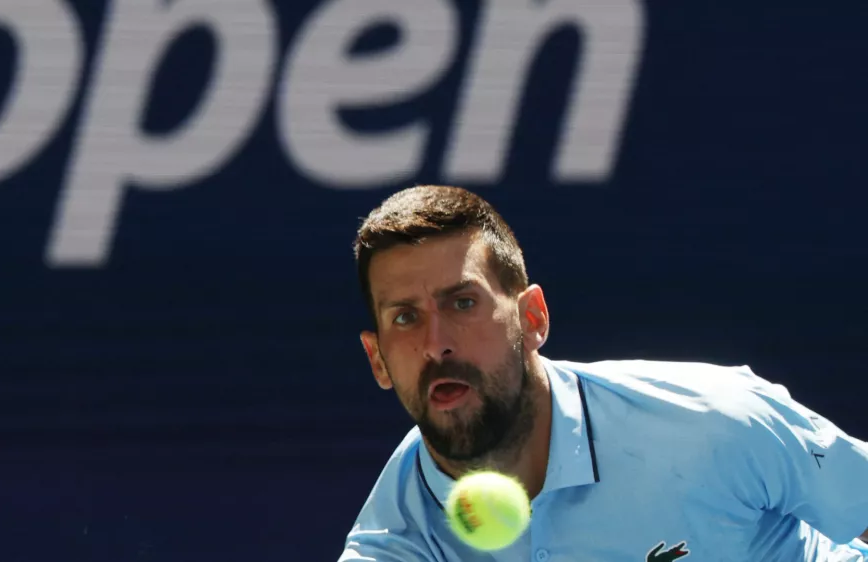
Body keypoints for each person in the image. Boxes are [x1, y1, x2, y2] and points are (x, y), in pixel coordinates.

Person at [339, 184, 868, 561]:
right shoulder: (393, 545)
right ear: (377, 360)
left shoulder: (710, 421)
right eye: (405, 318)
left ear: (532, 318)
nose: (436, 344)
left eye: (462, 303)